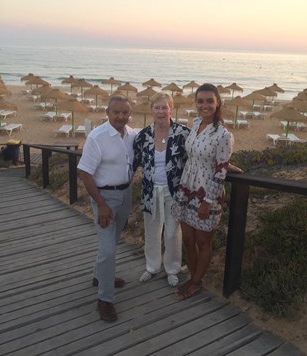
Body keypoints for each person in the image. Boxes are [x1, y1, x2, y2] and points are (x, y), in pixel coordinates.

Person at [172, 83, 234, 300]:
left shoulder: (223, 134)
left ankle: (196, 281)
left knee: (202, 241)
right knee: (188, 239)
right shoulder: (196, 123)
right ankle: (192, 275)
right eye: (200, 101)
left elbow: (220, 169)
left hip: (207, 193)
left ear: (218, 103)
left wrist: (208, 200)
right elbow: (196, 155)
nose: (204, 105)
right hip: (186, 187)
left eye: (209, 100)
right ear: (195, 103)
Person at [77, 95, 136, 322]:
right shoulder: (97, 137)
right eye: (116, 112)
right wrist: (101, 204)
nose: (121, 116)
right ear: (107, 112)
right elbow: (85, 172)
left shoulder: (132, 134)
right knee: (109, 249)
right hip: (105, 198)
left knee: (113, 241)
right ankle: (105, 299)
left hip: (125, 194)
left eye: (125, 113)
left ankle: (99, 277)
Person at [133, 93, 190, 287]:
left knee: (172, 232)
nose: (160, 111)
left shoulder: (183, 133)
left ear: (171, 109)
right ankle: (152, 266)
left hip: (174, 192)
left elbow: (195, 158)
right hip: (150, 191)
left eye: (164, 107)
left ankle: (172, 269)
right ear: (151, 110)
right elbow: (133, 160)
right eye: (157, 107)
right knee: (151, 230)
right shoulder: (143, 135)